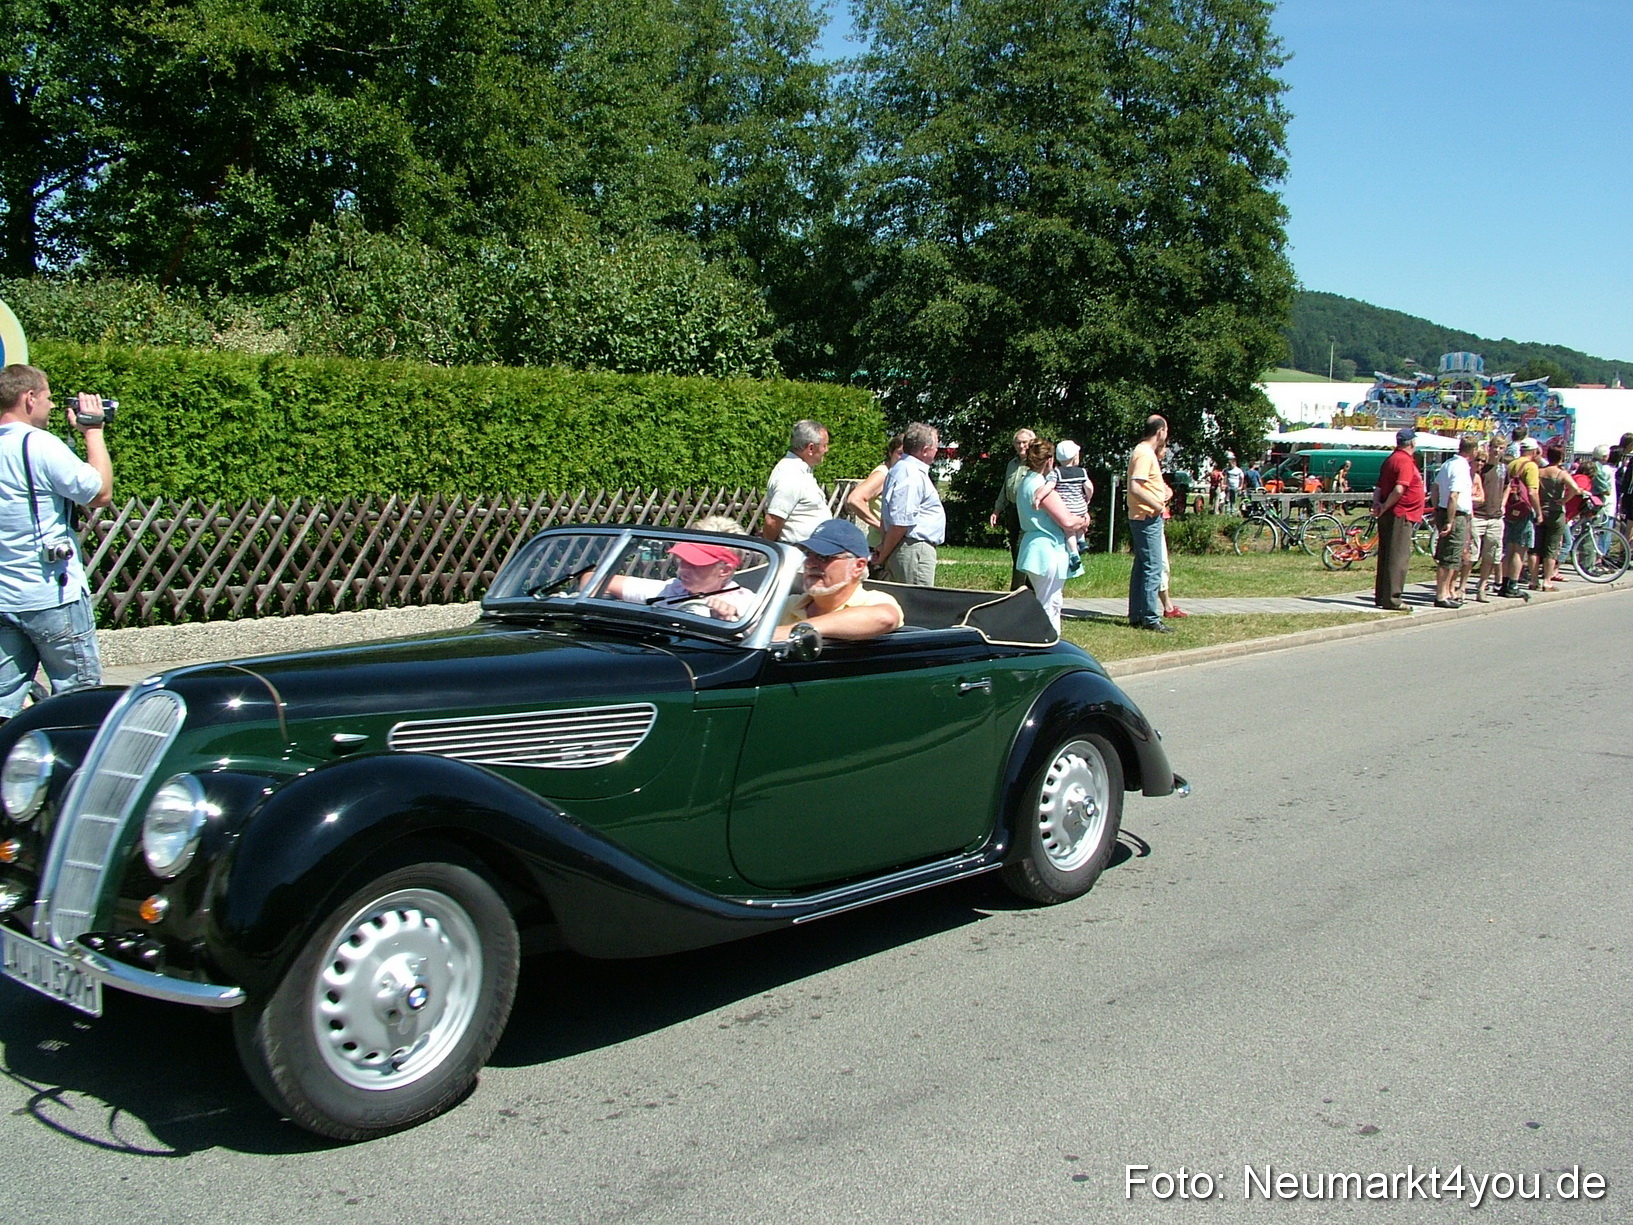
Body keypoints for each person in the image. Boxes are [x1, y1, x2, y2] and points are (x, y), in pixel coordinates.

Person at [0, 364, 114, 718]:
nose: (51, 407)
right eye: (48, 398)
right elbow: (99, 492)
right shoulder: (39, 445)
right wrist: (93, 431)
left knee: (3, 700)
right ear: (28, 398)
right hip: (52, 595)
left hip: (5, 597)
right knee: (79, 701)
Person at [777, 518, 903, 640]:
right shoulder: (788, 604)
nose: (809, 563)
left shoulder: (873, 601)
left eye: (823, 557)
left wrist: (794, 631)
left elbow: (885, 618)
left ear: (858, 567)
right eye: (808, 554)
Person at [1015, 439, 1091, 631]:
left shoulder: (1026, 481)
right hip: (1047, 550)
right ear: (1049, 461)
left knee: (1049, 602)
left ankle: (1046, 643)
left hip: (1035, 547)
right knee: (1050, 605)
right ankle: (1048, 646)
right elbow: (1066, 520)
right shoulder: (1041, 485)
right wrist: (1083, 521)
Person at [599, 537, 757, 620]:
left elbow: (776, 637)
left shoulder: (746, 602)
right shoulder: (672, 589)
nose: (683, 569)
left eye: (695, 564)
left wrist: (731, 620)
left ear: (724, 570)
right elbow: (596, 580)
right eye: (683, 560)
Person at [874, 421, 945, 586]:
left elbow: (888, 517)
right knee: (917, 605)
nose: (937, 450)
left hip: (905, 548)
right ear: (925, 451)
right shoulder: (910, 474)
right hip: (913, 550)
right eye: (936, 446)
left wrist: (885, 546)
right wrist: (884, 554)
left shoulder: (902, 469)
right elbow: (901, 521)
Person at [1126, 415, 1172, 632]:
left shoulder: (1143, 452)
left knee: (1142, 567)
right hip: (1146, 517)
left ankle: (1137, 614)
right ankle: (1150, 617)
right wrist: (1158, 505)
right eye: (1166, 431)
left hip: (1143, 515)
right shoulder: (1144, 453)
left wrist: (1163, 492)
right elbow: (1136, 487)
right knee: (1153, 567)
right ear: (1160, 431)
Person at [1371, 426, 1424, 611]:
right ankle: (1393, 598)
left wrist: (1378, 504)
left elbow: (1378, 487)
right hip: (1401, 514)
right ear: (1412, 443)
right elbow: (1400, 488)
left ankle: (1382, 595)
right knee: (1397, 557)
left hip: (1391, 512)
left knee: (1386, 554)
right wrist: (1385, 506)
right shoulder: (1404, 461)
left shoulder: (1390, 459)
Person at [761, 419, 831, 544]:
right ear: (810, 448)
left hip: (806, 551)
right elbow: (772, 521)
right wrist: (772, 549)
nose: (827, 450)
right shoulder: (791, 475)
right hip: (795, 552)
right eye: (824, 445)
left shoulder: (801, 471)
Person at [988, 427, 1037, 589]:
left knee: (1021, 550)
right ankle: (1027, 588)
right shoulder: (1012, 464)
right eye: (1018, 443)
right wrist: (997, 509)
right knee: (1016, 551)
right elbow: (1005, 487)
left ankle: (1017, 590)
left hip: (1029, 511)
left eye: (1024, 442)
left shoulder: (1036, 464)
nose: (1021, 446)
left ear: (1031, 443)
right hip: (1012, 509)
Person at [1431, 435, 1475, 608]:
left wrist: (1436, 510)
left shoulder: (1447, 464)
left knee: (1450, 555)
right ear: (1473, 450)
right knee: (1449, 557)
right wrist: (1449, 520)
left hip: (1443, 510)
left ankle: (1446, 591)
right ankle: (1441, 594)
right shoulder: (1461, 467)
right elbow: (1454, 495)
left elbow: (1435, 488)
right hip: (1454, 515)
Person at [844, 433, 906, 551]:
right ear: (890, 453)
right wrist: (880, 526)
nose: (903, 459)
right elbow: (854, 499)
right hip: (878, 544)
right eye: (900, 453)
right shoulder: (883, 474)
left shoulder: (898, 473)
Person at [1500, 437, 1542, 598]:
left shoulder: (1512, 464)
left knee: (1509, 549)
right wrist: (1538, 512)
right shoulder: (1530, 466)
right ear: (1534, 451)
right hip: (1523, 511)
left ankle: (1503, 583)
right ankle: (1513, 584)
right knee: (1520, 549)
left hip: (1510, 509)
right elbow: (1532, 491)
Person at [1470, 437, 1507, 603]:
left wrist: (1503, 503)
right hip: (1479, 515)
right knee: (1471, 555)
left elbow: (1508, 486)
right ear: (1489, 447)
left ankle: (1482, 586)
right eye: (1494, 447)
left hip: (1495, 517)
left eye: (1500, 448)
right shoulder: (1482, 466)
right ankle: (1460, 585)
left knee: (1491, 555)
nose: (1497, 451)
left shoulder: (1504, 468)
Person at [1533, 446, 1575, 591]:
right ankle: (1546, 580)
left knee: (1535, 548)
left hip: (1539, 509)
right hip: (1556, 512)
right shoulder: (1561, 474)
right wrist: (1564, 499)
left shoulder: (1539, 472)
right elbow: (1574, 488)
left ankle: (1533, 580)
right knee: (1552, 548)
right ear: (1561, 458)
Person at [1050, 439, 1092, 577]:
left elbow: (1050, 486)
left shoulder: (1057, 472)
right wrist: (1088, 498)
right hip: (1080, 506)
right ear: (1075, 456)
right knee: (1080, 522)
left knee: (1069, 532)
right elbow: (1089, 487)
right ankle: (1082, 540)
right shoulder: (1082, 472)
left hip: (1066, 508)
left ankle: (1074, 554)